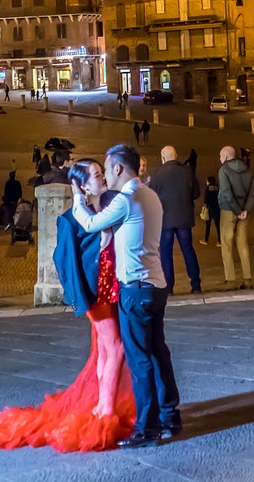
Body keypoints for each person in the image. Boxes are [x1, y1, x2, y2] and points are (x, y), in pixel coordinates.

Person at [0, 156, 135, 451]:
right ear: (81, 185)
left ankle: (104, 404)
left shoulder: (105, 207)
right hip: (97, 293)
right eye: (96, 175)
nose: (101, 177)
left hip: (111, 289)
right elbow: (65, 261)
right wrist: (81, 301)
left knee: (105, 350)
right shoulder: (71, 218)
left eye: (101, 173)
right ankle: (105, 411)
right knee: (114, 348)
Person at [70, 144, 182, 448]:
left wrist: (78, 198)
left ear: (119, 169)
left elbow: (91, 224)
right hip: (157, 284)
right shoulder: (150, 195)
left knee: (139, 358)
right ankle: (171, 414)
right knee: (159, 351)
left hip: (135, 289)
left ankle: (148, 427)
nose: (105, 175)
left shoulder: (127, 199)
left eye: (106, 169)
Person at [149, 145, 201, 294]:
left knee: (165, 252)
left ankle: (169, 287)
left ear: (162, 158)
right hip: (185, 218)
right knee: (188, 250)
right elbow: (196, 193)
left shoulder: (158, 175)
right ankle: (196, 284)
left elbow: (152, 197)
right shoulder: (188, 172)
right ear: (176, 156)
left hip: (165, 220)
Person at [218, 145, 254, 289]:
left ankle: (230, 280)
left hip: (229, 211)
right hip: (244, 212)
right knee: (243, 244)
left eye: (221, 156)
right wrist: (245, 210)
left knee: (227, 244)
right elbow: (253, 192)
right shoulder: (247, 169)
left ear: (227, 157)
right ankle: (247, 279)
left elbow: (226, 192)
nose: (220, 159)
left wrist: (236, 210)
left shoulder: (224, 170)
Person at [199, 175, 221, 246]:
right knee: (218, 225)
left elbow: (206, 200)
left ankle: (206, 239)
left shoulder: (208, 188)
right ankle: (219, 241)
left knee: (208, 225)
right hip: (217, 208)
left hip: (209, 209)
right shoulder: (217, 188)